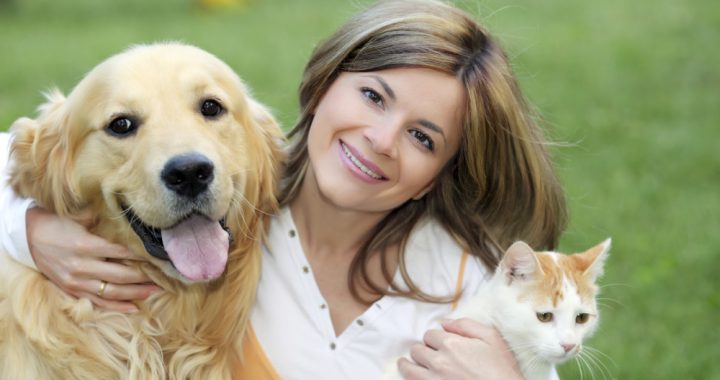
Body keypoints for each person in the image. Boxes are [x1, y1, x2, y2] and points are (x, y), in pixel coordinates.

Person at [0, 0, 566, 378]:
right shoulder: (251, 205)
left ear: (441, 172)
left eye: (422, 137)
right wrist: (25, 226)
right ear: (323, 84)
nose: (381, 140)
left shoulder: (477, 289)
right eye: (373, 97)